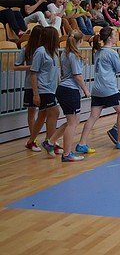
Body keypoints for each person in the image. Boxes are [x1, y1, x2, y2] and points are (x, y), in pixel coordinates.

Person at [76, 27, 120, 153]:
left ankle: (82, 143)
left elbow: (111, 68)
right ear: (110, 38)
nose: (116, 36)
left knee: (93, 116)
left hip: (97, 88)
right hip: (108, 88)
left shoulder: (98, 51)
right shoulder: (112, 53)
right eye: (114, 34)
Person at [46, 31, 91, 161]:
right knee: (72, 123)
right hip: (70, 90)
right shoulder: (73, 55)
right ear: (80, 41)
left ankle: (50, 142)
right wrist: (86, 90)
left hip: (63, 89)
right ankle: (66, 154)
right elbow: (77, 76)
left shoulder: (65, 54)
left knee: (73, 121)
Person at [14, 26, 49, 152]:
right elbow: (16, 66)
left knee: (46, 112)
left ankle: (48, 139)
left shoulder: (45, 50)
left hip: (44, 85)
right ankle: (32, 140)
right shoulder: (26, 49)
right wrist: (31, 67)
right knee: (32, 112)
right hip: (30, 84)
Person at [28, 27, 62, 158]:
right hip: (43, 89)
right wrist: (35, 93)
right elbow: (33, 73)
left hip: (52, 88)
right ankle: (50, 142)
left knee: (42, 115)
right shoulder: (40, 51)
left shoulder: (54, 51)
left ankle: (31, 141)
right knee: (55, 112)